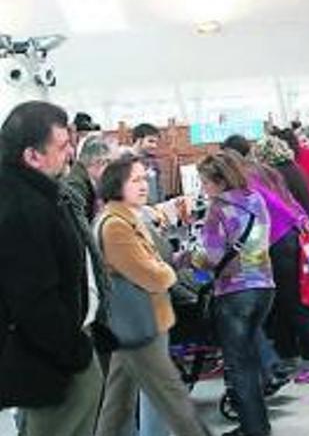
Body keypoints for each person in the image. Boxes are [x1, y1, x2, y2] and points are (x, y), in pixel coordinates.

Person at [0, 101, 107, 436]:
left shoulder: (41, 194)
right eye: (62, 147)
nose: (71, 153)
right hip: (54, 364)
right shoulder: (22, 208)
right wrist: (75, 352)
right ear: (32, 156)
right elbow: (33, 300)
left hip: (58, 354)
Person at [93, 156, 210, 436]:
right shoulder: (115, 225)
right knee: (174, 399)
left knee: (117, 402)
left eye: (144, 178)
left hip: (135, 322)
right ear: (116, 185)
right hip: (141, 323)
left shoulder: (129, 218)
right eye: (135, 180)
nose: (144, 185)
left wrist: (161, 267)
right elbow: (153, 275)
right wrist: (167, 271)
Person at [224, 148, 309, 385]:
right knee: (286, 303)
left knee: (294, 304)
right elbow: (288, 199)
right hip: (287, 239)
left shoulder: (247, 179)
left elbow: (274, 202)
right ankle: (288, 353)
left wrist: (299, 220)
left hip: (280, 243)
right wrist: (302, 219)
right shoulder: (261, 171)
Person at [191, 152, 275, 436]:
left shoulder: (218, 208)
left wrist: (184, 259)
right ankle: (257, 426)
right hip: (264, 287)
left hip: (234, 293)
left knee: (240, 368)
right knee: (249, 361)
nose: (203, 188)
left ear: (218, 181)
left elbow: (212, 257)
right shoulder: (256, 199)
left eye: (204, 182)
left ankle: (255, 430)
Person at [65, 134, 113, 222]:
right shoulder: (76, 185)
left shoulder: (84, 179)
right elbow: (77, 224)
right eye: (109, 163)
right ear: (100, 162)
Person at [132, 123, 164, 204]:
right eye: (150, 141)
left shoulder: (154, 162)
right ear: (138, 140)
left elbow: (160, 187)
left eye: (156, 143)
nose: (154, 146)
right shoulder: (125, 162)